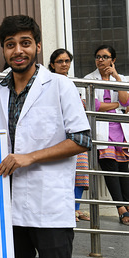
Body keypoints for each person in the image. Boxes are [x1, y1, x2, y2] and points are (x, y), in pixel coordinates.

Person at [0, 15, 91, 258]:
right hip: (10, 208)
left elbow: (81, 140)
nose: (18, 50)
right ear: (3, 50)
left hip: (49, 206)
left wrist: (29, 157)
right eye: (10, 44)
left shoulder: (59, 85)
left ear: (38, 46)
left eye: (25, 43)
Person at [84, 45, 129, 226]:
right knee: (110, 168)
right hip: (102, 130)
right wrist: (119, 105)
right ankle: (121, 209)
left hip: (121, 130)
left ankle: (127, 207)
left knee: (124, 172)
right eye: (98, 57)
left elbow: (127, 101)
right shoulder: (89, 78)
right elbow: (94, 105)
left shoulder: (123, 79)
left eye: (105, 56)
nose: (100, 60)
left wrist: (116, 78)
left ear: (113, 60)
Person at [49, 48, 90, 222]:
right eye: (60, 61)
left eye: (67, 61)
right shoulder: (50, 83)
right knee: (61, 172)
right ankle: (67, 208)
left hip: (76, 132)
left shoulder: (73, 83)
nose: (64, 64)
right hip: (59, 135)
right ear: (52, 64)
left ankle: (76, 207)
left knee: (80, 172)